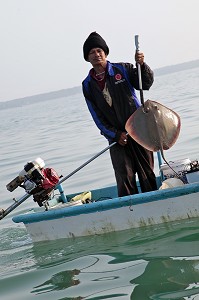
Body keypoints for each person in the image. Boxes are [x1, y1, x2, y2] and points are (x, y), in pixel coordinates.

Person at [82, 32, 157, 197]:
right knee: (125, 181)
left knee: (147, 176)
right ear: (87, 57)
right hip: (117, 140)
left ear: (105, 53)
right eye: (91, 52)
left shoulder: (123, 69)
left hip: (139, 132)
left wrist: (142, 65)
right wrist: (115, 135)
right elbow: (97, 117)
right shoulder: (87, 85)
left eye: (99, 50)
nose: (96, 54)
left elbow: (145, 83)